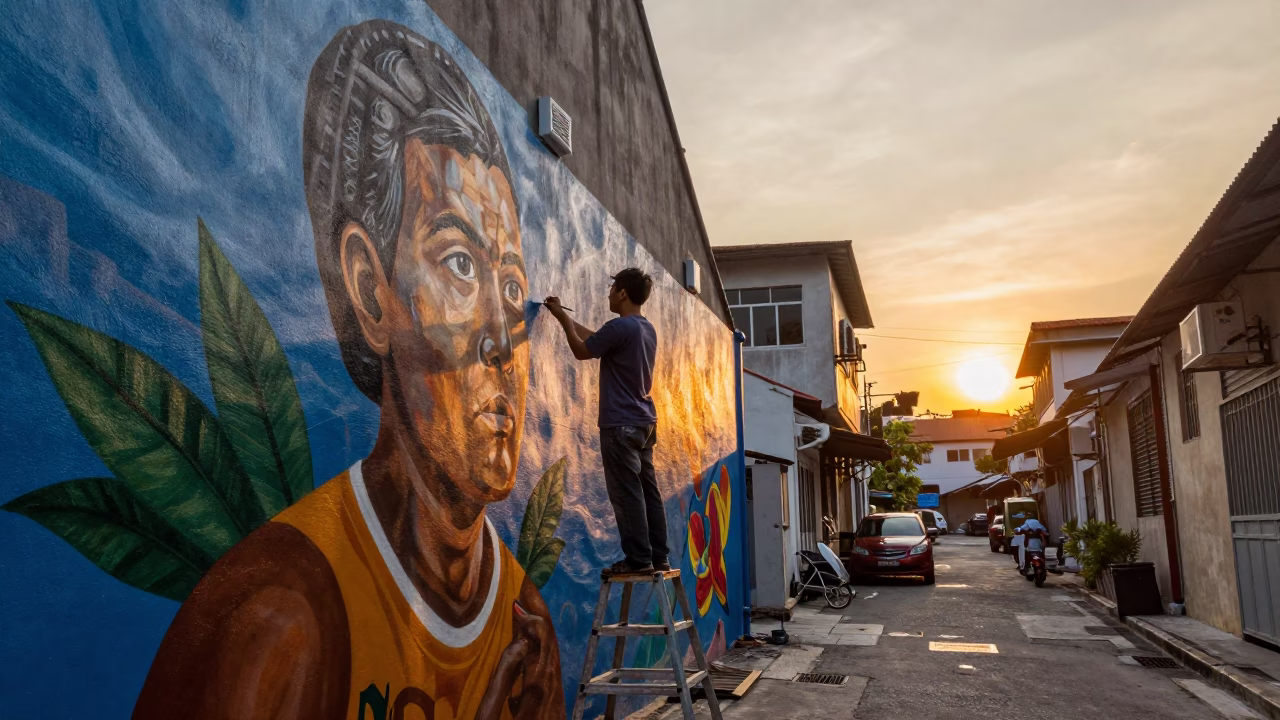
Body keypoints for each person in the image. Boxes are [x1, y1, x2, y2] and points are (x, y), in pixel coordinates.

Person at [133, 21, 563, 720]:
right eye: (459, 263)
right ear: (370, 290)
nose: (501, 339)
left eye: (511, 288)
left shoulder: (522, 616)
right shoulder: (278, 621)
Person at [544, 269, 665, 575]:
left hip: (619, 424)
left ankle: (638, 560)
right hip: (643, 423)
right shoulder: (644, 328)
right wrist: (568, 320)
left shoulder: (620, 327)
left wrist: (562, 319)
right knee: (648, 491)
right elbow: (598, 339)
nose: (609, 293)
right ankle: (659, 555)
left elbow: (582, 350)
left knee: (627, 493)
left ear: (623, 292)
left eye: (612, 288)